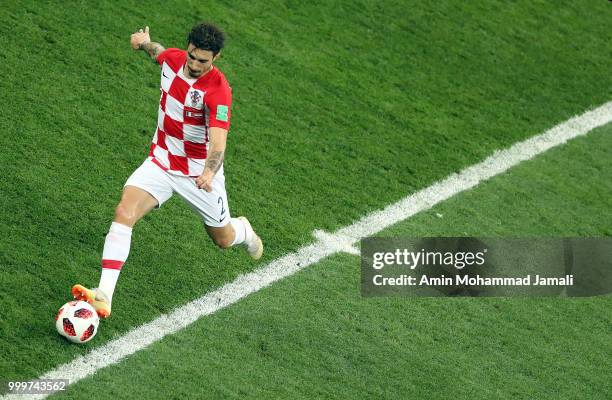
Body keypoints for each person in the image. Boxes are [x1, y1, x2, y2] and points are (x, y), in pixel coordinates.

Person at [71, 22, 263, 318]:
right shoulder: (174, 60)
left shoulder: (218, 91)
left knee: (222, 240)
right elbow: (158, 52)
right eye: (193, 56)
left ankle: (244, 230)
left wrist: (209, 173)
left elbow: (219, 144)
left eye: (204, 60)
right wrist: (144, 41)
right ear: (187, 48)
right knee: (124, 212)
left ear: (216, 58)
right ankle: (104, 294)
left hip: (197, 175)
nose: (196, 64)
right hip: (160, 162)